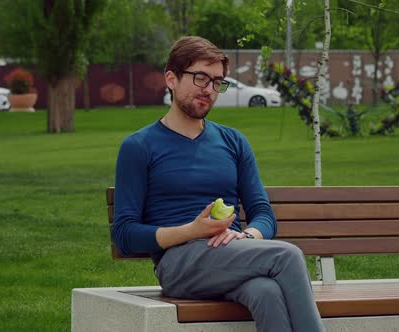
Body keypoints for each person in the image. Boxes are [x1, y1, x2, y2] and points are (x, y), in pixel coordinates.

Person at [112, 36, 325, 332]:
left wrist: (246, 237)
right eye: (200, 78)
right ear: (171, 79)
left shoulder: (233, 142)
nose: (209, 90)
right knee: (287, 255)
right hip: (179, 264)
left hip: (234, 255)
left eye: (217, 82)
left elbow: (263, 214)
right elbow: (124, 234)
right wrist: (192, 231)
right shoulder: (139, 146)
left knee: (266, 292)